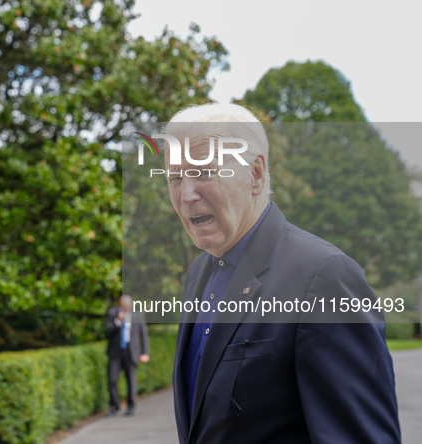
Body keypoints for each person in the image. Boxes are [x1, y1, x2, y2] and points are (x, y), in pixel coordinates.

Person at [165, 103, 401, 443]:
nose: (186, 195)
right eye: (175, 177)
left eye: (203, 172)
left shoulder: (324, 277)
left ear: (256, 174)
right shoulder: (197, 273)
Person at [105, 294, 150, 417]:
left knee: (130, 380)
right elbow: (107, 332)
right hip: (116, 352)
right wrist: (118, 321)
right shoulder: (112, 313)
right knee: (112, 379)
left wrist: (145, 352)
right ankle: (115, 405)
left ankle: (131, 406)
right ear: (120, 304)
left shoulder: (137, 315)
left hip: (131, 352)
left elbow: (143, 335)